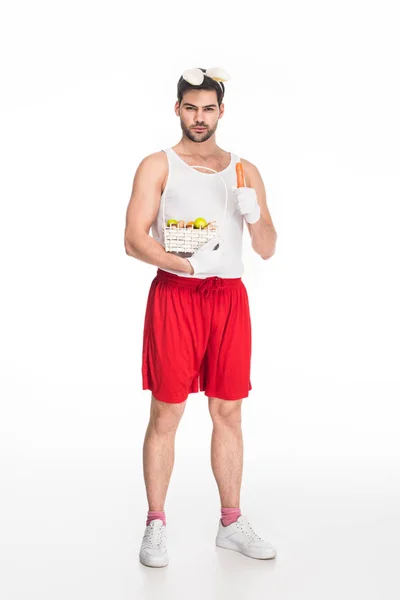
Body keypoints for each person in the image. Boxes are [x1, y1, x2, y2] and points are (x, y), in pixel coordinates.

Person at [124, 67, 278, 567]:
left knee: (228, 410)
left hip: (229, 299)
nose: (199, 117)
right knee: (167, 411)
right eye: (190, 107)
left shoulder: (243, 170)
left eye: (208, 108)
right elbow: (133, 239)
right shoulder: (157, 164)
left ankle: (230, 523)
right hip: (176, 295)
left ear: (221, 112)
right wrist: (183, 263)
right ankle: (155, 523)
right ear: (177, 109)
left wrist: (253, 214)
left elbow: (268, 248)